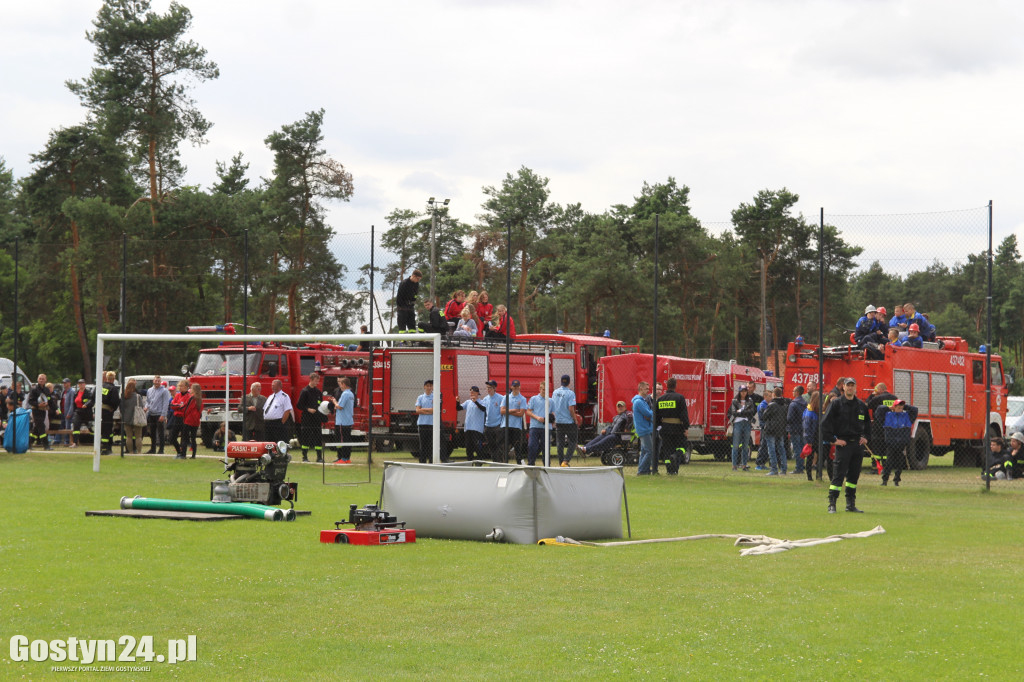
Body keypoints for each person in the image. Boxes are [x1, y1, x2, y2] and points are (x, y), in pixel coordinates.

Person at [821, 377, 870, 513]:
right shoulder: (836, 404)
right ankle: (832, 504)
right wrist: (834, 440)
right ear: (843, 387)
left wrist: (865, 437)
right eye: (848, 385)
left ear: (856, 388)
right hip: (843, 445)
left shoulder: (861, 405)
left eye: (852, 386)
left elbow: (868, 425)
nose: (850, 388)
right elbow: (825, 423)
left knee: (853, 476)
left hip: (857, 446)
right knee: (838, 474)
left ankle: (850, 504)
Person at [878, 399, 919, 486]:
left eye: (901, 408)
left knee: (900, 464)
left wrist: (905, 406)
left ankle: (896, 481)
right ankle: (884, 480)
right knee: (889, 463)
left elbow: (915, 409)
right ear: (894, 407)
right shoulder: (888, 415)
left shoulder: (907, 416)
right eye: (898, 407)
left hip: (902, 444)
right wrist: (889, 408)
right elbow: (879, 410)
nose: (900, 409)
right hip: (891, 444)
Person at [655, 378, 689, 475]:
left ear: (666, 386)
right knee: (682, 446)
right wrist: (686, 427)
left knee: (667, 449)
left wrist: (659, 426)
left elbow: (656, 416)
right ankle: (675, 461)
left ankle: (669, 470)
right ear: (675, 386)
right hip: (677, 428)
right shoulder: (680, 398)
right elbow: (684, 414)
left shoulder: (661, 399)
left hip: (665, 428)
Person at [296, 372, 328, 463]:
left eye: (318, 381)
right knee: (306, 438)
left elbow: (321, 404)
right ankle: (305, 457)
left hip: (316, 419)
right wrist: (308, 409)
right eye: (315, 381)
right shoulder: (305, 391)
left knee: (318, 438)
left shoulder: (318, 392)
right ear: (311, 380)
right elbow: (299, 405)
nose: (317, 383)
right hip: (307, 419)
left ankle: (319, 457)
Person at [550, 374, 580, 467]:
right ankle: (566, 461)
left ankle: (560, 462)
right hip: (568, 421)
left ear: (561, 381)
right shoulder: (570, 393)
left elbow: (553, 405)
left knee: (560, 443)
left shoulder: (555, 392)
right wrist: (575, 419)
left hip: (559, 421)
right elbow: (571, 408)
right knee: (573, 441)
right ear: (569, 382)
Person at [761, 387, 789, 475]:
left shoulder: (772, 405)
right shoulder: (784, 405)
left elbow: (764, 416)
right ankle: (783, 469)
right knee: (781, 449)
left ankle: (774, 469)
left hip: (771, 429)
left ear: (774, 394)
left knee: (771, 449)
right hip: (781, 429)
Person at [728, 386, 756, 471]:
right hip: (738, 423)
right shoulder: (735, 401)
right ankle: (734, 465)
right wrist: (744, 412)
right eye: (742, 391)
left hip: (747, 423)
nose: (743, 393)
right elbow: (733, 412)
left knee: (745, 445)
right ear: (739, 392)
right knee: (735, 445)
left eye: (745, 391)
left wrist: (740, 411)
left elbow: (752, 412)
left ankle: (744, 465)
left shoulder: (750, 401)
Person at [500, 380, 528, 464]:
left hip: (516, 427)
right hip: (506, 425)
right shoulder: (506, 397)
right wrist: (514, 410)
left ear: (519, 387)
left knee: (517, 447)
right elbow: (501, 411)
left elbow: (521, 413)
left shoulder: (522, 399)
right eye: (514, 386)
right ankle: (505, 464)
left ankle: (519, 464)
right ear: (511, 387)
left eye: (517, 386)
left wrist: (508, 411)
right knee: (505, 447)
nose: (516, 388)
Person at [456, 386, 487, 462]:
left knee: (477, 447)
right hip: (468, 428)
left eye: (473, 392)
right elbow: (459, 408)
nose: (471, 393)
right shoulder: (468, 402)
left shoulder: (482, 402)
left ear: (477, 393)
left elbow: (483, 409)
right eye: (470, 392)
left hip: (477, 429)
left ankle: (480, 461)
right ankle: (469, 462)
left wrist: (475, 401)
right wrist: (457, 401)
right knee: (469, 447)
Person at [526, 381, 552, 466]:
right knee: (532, 445)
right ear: (540, 389)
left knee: (546, 448)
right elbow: (528, 411)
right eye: (543, 389)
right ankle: (531, 464)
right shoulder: (533, 399)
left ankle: (547, 466)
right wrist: (537, 417)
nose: (544, 391)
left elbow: (553, 414)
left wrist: (548, 419)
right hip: (535, 426)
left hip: (547, 428)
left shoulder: (551, 401)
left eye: (546, 389)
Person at [262, 379, 294, 445]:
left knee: (279, 442)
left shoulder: (284, 396)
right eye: (272, 385)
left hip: (278, 423)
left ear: (279, 386)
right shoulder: (271, 397)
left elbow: (287, 410)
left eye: (274, 385)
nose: (272, 387)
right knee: (268, 442)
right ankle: (270, 454)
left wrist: (282, 422)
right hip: (268, 423)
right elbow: (265, 408)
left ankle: (281, 454)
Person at [632, 381, 655, 475]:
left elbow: (649, 414)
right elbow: (649, 413)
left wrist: (650, 415)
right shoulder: (639, 402)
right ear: (640, 389)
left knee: (644, 450)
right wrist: (652, 414)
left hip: (644, 428)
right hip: (644, 429)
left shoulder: (642, 401)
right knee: (650, 450)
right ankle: (642, 470)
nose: (648, 391)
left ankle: (644, 470)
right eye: (646, 389)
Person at [331, 377, 355, 463]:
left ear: (344, 384)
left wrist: (334, 402)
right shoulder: (351, 393)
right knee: (347, 439)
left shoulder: (345, 394)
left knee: (343, 440)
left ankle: (344, 458)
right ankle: (347, 458)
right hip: (348, 420)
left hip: (342, 421)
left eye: (340, 383)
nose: (339, 385)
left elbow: (340, 406)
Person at [145, 376, 170, 454]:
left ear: (160, 381)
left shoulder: (164, 391)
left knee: (160, 433)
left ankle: (161, 449)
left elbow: (166, 404)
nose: (157, 382)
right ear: (153, 381)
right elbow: (148, 401)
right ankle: (153, 449)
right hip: (151, 414)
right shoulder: (149, 390)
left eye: (158, 381)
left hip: (159, 414)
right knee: (152, 433)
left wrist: (163, 415)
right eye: (156, 380)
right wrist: (146, 407)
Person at [481, 380, 504, 461]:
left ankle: (500, 463)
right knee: (491, 446)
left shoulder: (501, 398)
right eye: (487, 388)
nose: (488, 389)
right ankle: (494, 462)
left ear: (494, 388)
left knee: (499, 446)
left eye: (490, 388)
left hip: (497, 426)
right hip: (488, 426)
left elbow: (503, 411)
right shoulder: (485, 399)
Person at [28, 374, 52, 450]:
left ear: (45, 380)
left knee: (36, 429)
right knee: (42, 427)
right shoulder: (34, 389)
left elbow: (49, 400)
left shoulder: (46, 390)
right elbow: (30, 401)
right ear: (38, 380)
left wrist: (56, 409)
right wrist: (38, 404)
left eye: (43, 379)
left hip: (43, 411)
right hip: (36, 411)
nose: (41, 380)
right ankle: (46, 445)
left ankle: (28, 444)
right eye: (40, 379)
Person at [802, 391, 822, 481]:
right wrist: (809, 441)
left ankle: (818, 475)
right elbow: (807, 427)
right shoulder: (809, 412)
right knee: (810, 457)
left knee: (821, 455)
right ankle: (809, 476)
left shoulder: (817, 411)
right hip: (812, 438)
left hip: (818, 437)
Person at [121, 378, 145, 454]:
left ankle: (130, 451)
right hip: (137, 418)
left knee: (129, 436)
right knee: (138, 436)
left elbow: (121, 407)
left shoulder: (123, 396)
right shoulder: (138, 396)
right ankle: (139, 451)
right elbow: (141, 406)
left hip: (126, 418)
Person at [415, 379, 436, 463]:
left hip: (431, 424)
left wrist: (423, 409)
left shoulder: (435, 397)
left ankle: (431, 462)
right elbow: (417, 410)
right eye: (427, 386)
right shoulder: (420, 397)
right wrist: (428, 411)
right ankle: (422, 462)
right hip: (422, 424)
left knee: (430, 445)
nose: (429, 387)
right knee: (422, 445)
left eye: (430, 386)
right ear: (424, 387)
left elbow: (434, 410)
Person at [787, 386, 807, 475]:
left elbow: (789, 417)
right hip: (802, 427)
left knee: (796, 448)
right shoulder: (805, 403)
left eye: (793, 391)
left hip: (794, 428)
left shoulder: (793, 404)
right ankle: (801, 465)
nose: (792, 392)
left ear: (797, 392)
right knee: (802, 447)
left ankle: (798, 467)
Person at [99, 371, 120, 456]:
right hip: (107, 412)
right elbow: (115, 401)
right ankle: (106, 448)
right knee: (107, 430)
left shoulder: (100, 386)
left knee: (101, 429)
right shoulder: (113, 388)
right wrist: (113, 408)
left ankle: (102, 447)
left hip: (99, 412)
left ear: (106, 378)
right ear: (113, 379)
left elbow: (93, 397)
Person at [179, 383, 202, 459]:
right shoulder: (200, 400)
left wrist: (184, 417)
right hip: (195, 421)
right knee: (193, 438)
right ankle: (193, 455)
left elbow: (187, 409)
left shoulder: (192, 398)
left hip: (189, 420)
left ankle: (183, 454)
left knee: (185, 437)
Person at [70, 379, 93, 448]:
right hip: (78, 412)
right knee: (76, 426)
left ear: (85, 384)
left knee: (91, 428)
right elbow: (74, 404)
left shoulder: (88, 392)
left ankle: (97, 441)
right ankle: (75, 443)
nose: (81, 384)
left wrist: (86, 404)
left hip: (86, 412)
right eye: (80, 383)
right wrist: (74, 412)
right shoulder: (76, 393)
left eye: (82, 383)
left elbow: (91, 400)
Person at [167, 380, 187, 456]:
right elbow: (172, 405)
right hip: (176, 418)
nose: (180, 387)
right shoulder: (177, 395)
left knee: (184, 437)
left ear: (186, 387)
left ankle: (183, 454)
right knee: (172, 437)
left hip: (184, 418)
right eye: (179, 386)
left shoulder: (188, 396)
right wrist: (178, 406)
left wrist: (177, 406)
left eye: (182, 386)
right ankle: (179, 451)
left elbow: (184, 407)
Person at [59, 378, 74, 445]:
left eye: (65, 383)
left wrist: (69, 413)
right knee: (62, 427)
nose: (64, 384)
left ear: (69, 383)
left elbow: (72, 403)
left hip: (68, 413)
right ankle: (60, 440)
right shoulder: (63, 391)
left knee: (68, 427)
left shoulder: (72, 391)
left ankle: (67, 441)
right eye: (63, 383)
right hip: (62, 412)